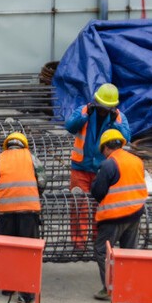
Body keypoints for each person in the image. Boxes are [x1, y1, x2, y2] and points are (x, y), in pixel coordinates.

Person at [64, 83, 130, 248]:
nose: (102, 111)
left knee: (99, 207)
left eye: (106, 108)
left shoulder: (118, 118)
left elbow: (126, 138)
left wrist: (114, 123)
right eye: (100, 107)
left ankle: (98, 242)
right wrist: (85, 115)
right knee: (79, 205)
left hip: (102, 169)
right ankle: (78, 244)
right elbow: (70, 126)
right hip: (80, 167)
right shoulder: (84, 110)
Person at [89, 129, 147, 300]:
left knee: (102, 251)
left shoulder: (109, 164)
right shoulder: (136, 160)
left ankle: (110, 289)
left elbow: (98, 192)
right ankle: (128, 287)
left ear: (106, 147)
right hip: (135, 213)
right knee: (129, 252)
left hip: (114, 216)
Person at [0, 131, 43, 303]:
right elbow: (42, 182)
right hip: (29, 211)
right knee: (28, 251)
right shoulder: (32, 158)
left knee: (7, 250)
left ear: (7, 145)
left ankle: (8, 287)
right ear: (24, 144)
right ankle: (27, 294)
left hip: (5, 211)